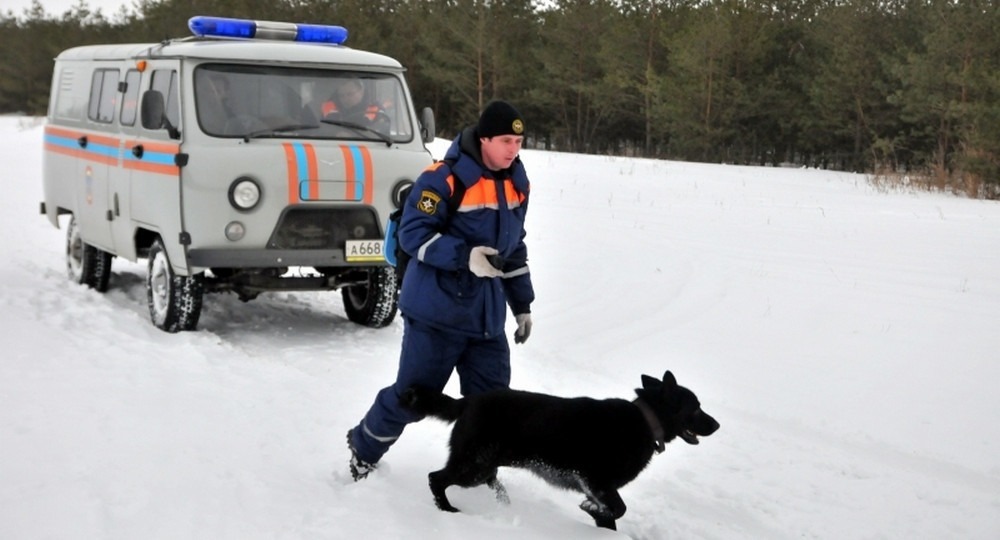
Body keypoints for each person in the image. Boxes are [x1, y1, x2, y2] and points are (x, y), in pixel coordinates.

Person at [346, 100, 535, 481]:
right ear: (483, 139)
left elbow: (514, 249)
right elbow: (415, 236)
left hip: (485, 320)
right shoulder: (443, 178)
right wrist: (466, 257)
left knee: (492, 407)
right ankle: (364, 448)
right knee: (414, 397)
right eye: (505, 141)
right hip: (436, 314)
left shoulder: (517, 182)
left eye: (518, 141)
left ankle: (479, 475)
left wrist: (523, 305)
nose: (513, 149)